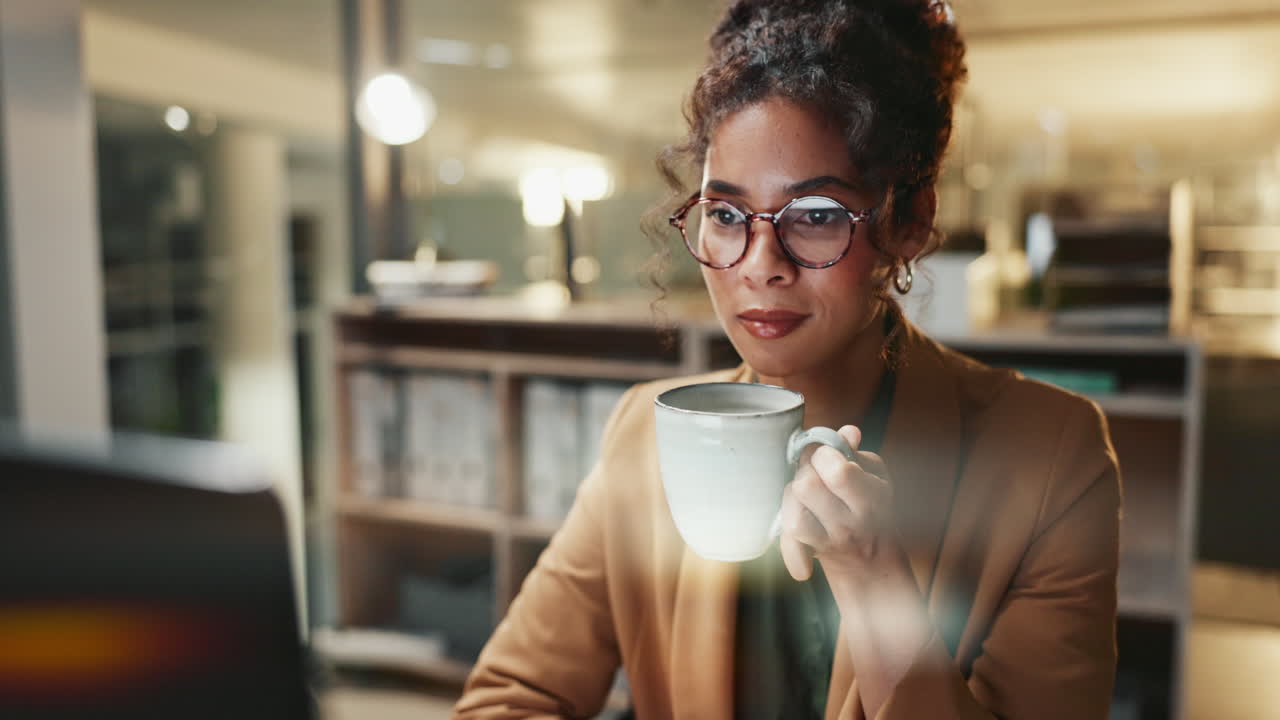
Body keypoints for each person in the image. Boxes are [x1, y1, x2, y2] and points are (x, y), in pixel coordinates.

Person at [453, 1, 1121, 718]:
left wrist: (874, 579)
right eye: (726, 215)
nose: (759, 265)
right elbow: (507, 699)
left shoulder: (1052, 459)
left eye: (817, 215)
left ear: (910, 222)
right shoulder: (644, 437)